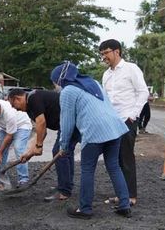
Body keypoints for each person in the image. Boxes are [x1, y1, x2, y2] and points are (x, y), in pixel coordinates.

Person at [52, 62, 130, 219]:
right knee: (114, 167)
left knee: (87, 169)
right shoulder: (92, 82)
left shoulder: (68, 91)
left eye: (55, 82)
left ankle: (85, 209)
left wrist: (64, 146)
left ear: (61, 79)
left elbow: (66, 122)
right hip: (114, 127)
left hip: (94, 131)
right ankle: (124, 205)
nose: (56, 86)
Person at [8, 88, 79, 202]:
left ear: (18, 98)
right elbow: (41, 131)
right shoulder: (29, 107)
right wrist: (30, 152)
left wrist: (39, 146)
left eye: (13, 104)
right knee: (64, 153)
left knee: (59, 152)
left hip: (72, 121)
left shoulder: (33, 98)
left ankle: (64, 190)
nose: (14, 108)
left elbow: (41, 122)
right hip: (67, 123)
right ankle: (66, 185)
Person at [99, 39, 148, 207]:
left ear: (117, 51)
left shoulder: (131, 69)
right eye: (102, 54)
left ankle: (131, 195)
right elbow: (105, 98)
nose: (104, 57)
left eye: (106, 53)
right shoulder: (106, 74)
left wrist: (133, 115)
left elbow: (143, 92)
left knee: (126, 157)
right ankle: (121, 194)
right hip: (112, 121)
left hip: (127, 120)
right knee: (114, 159)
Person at [0, 96, 32, 186]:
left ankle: (23, 178)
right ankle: (0, 176)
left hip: (22, 125)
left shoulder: (9, 113)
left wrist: (0, 152)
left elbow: (9, 136)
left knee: (18, 149)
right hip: (5, 127)